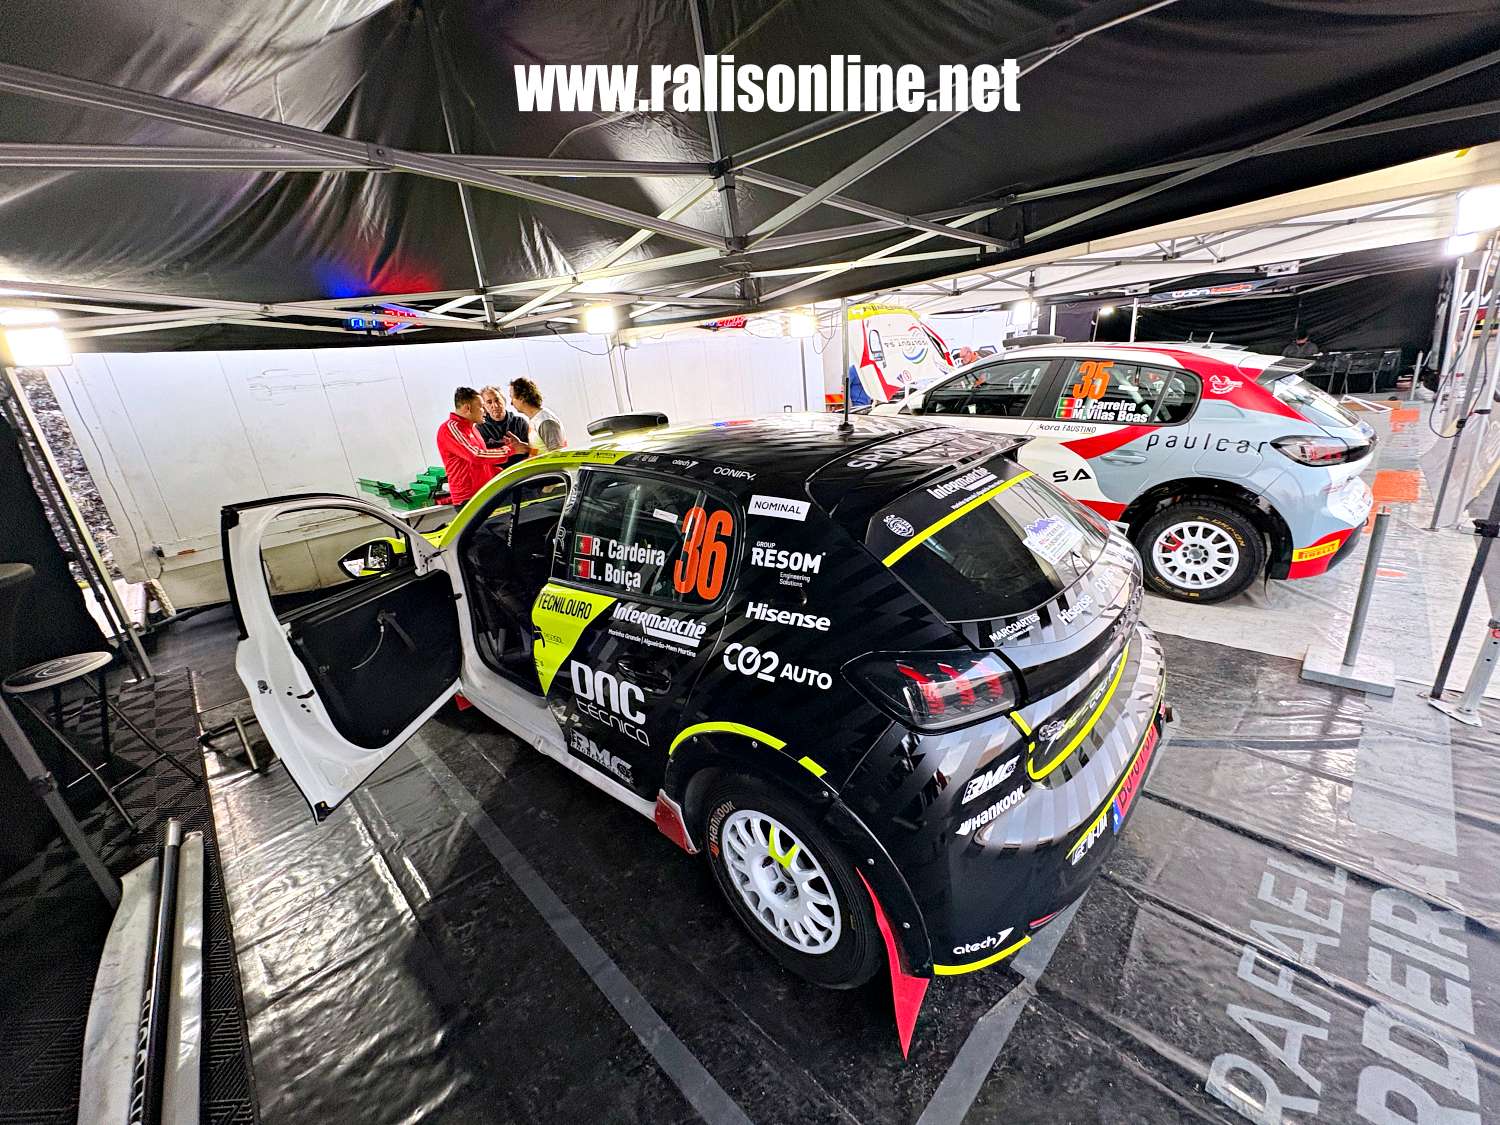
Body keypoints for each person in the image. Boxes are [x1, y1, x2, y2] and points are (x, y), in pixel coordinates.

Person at [436, 386, 524, 507]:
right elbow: (476, 455)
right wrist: (510, 450)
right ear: (467, 408)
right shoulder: (450, 429)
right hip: (468, 499)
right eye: (482, 406)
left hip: (485, 494)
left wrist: (504, 475)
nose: (485, 411)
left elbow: (483, 463)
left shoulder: (473, 429)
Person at [508, 377, 567, 452]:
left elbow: (557, 455)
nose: (511, 403)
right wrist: (525, 447)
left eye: (512, 398)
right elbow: (541, 451)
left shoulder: (545, 421)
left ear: (521, 398)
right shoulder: (535, 419)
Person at [478, 385, 530, 456]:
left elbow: (536, 451)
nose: (495, 405)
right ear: (484, 407)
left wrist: (525, 446)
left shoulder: (520, 422)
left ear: (504, 401)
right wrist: (509, 450)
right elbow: (481, 456)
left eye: (497, 400)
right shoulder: (480, 428)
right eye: (489, 402)